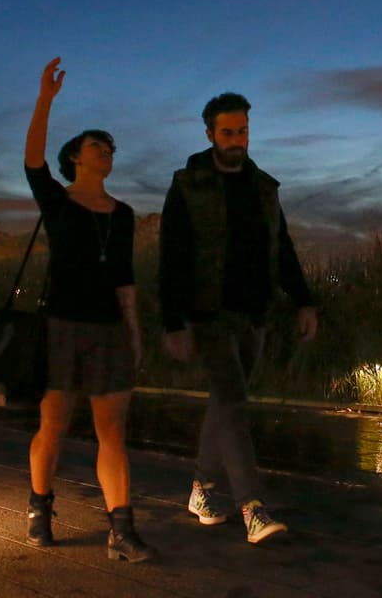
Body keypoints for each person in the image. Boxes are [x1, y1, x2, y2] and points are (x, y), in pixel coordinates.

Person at [158, 92, 318, 545]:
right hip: (207, 313)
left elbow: (281, 246)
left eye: (242, 131)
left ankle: (201, 491)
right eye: (227, 132)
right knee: (232, 399)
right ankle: (252, 507)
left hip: (255, 312)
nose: (236, 140)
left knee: (225, 402)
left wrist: (304, 301)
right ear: (209, 134)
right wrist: (173, 321)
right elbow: (172, 255)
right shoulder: (188, 184)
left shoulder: (263, 187)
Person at [23, 57, 155, 562]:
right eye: (97, 146)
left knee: (112, 431)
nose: (107, 152)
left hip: (108, 330)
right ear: (75, 158)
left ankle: (121, 531)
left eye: (110, 147)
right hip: (62, 325)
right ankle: (39, 509)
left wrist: (134, 333)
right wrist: (45, 100)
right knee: (53, 425)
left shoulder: (123, 215)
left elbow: (125, 278)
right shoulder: (57, 202)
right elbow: (32, 160)